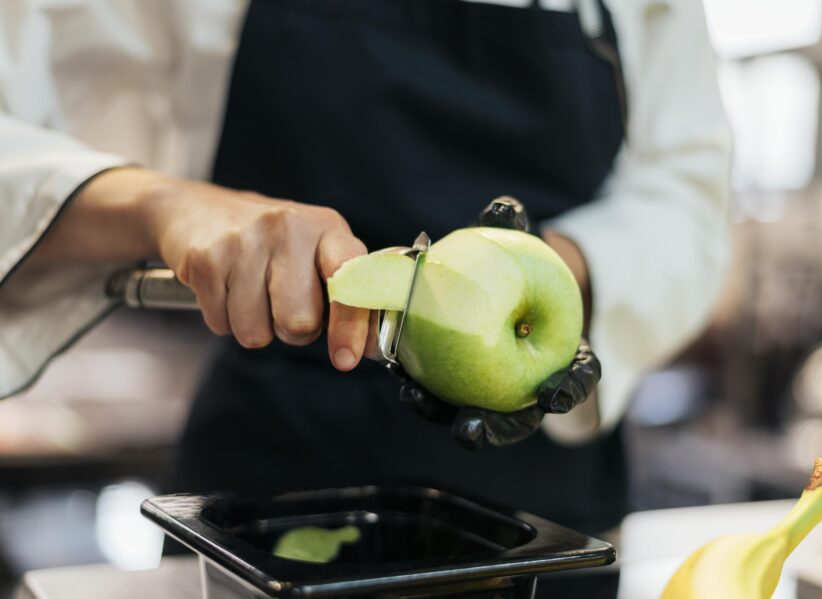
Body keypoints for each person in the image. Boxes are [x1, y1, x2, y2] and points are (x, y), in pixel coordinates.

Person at [0, 0, 730, 594]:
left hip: (544, 525)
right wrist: (163, 204)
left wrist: (556, 268)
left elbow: (687, 194)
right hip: (270, 489)